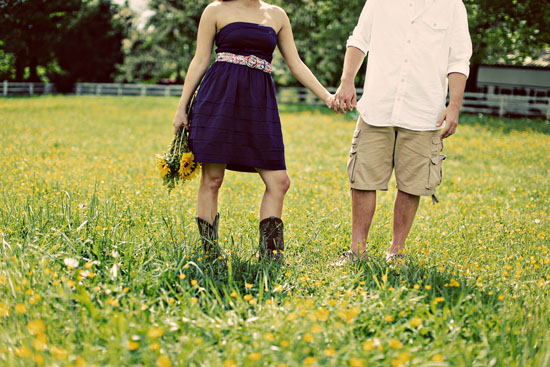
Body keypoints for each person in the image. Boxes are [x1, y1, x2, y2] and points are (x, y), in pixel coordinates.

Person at [172, 0, 335, 261]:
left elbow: (296, 64)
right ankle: (210, 254)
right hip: (219, 98)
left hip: (259, 103)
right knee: (212, 180)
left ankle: (271, 256)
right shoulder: (215, 10)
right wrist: (182, 107)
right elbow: (200, 59)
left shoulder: (277, 15)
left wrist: (327, 97)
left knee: (279, 182)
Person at [333, 0, 472, 264]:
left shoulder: (452, 5)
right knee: (362, 178)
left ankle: (395, 253)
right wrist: (347, 81)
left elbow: (459, 59)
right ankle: (356, 251)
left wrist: (454, 106)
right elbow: (359, 39)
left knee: (411, 185)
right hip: (378, 106)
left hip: (424, 110)